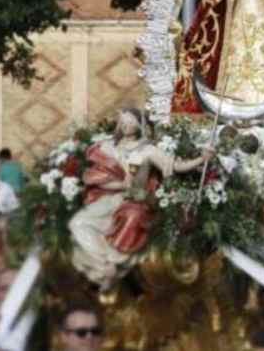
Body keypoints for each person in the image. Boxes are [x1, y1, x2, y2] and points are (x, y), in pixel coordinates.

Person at [67, 107, 212, 287]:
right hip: (111, 198)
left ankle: (111, 263)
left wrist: (200, 160)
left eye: (131, 122)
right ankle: (103, 264)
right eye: (124, 122)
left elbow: (175, 166)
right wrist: (121, 184)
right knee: (78, 223)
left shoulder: (148, 150)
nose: (127, 126)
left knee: (133, 216)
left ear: (139, 124)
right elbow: (96, 177)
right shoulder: (108, 147)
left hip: (137, 199)